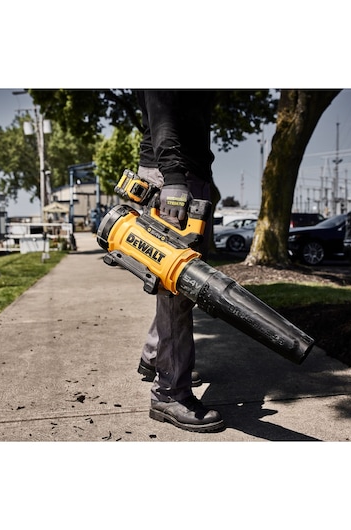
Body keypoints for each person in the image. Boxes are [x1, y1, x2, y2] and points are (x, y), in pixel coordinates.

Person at [135, 90, 225, 433]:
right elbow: (162, 108)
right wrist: (173, 178)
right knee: (178, 284)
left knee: (176, 284)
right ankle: (169, 393)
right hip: (174, 175)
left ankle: (155, 356)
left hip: (186, 172)